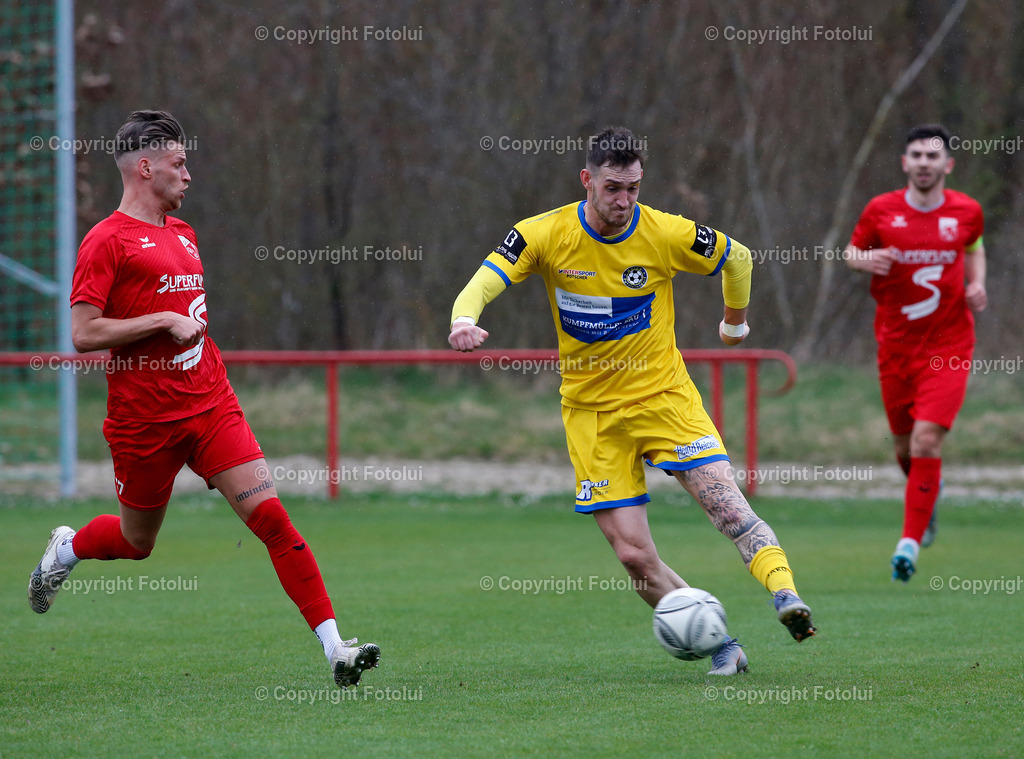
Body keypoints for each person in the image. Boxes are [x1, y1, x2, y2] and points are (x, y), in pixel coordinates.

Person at [27, 110, 380, 688]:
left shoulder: (185, 234)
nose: (188, 175)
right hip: (144, 423)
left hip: (212, 407)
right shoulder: (105, 242)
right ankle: (66, 548)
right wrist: (161, 319)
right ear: (145, 167)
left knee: (273, 519)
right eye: (179, 163)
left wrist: (178, 328)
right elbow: (84, 333)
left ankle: (336, 648)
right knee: (136, 543)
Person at [448, 126, 815, 676]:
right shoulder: (543, 234)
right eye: (613, 188)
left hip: (664, 398)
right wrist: (463, 319)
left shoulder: (666, 233)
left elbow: (738, 258)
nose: (624, 201)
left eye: (634, 189)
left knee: (727, 508)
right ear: (586, 180)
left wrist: (733, 323)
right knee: (633, 557)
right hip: (593, 417)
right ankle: (721, 645)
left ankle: (786, 596)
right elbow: (484, 279)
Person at [844, 124, 986, 583]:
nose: (924, 163)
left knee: (928, 441)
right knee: (905, 448)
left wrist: (978, 283)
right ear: (905, 163)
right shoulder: (882, 210)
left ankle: (908, 542)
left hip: (948, 345)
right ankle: (928, 493)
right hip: (895, 347)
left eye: (933, 156)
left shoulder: (967, 211)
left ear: (948, 165)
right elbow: (850, 252)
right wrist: (866, 260)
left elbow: (974, 246)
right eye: (916, 156)